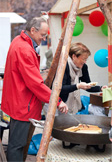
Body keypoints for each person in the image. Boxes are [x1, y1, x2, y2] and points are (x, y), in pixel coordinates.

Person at [1, 17, 68, 162]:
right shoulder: (25, 49)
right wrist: (58, 101)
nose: (44, 39)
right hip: (23, 104)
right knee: (17, 145)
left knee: (15, 143)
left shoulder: (18, 41)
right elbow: (35, 84)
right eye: (43, 35)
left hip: (16, 99)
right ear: (33, 30)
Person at [59, 42, 106, 114]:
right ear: (74, 56)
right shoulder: (64, 66)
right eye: (83, 59)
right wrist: (78, 86)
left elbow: (88, 85)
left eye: (86, 59)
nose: (85, 62)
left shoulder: (83, 67)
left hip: (73, 105)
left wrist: (101, 88)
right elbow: (60, 88)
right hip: (60, 102)